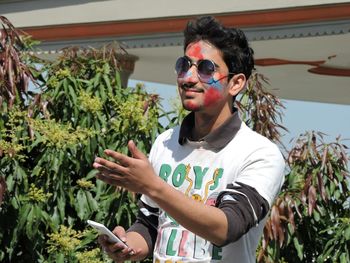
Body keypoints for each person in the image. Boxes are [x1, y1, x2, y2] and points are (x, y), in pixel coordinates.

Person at [93, 16, 285, 263]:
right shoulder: (165, 142)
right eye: (184, 65)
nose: (188, 78)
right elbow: (151, 224)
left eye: (206, 69)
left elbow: (226, 228)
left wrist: (152, 185)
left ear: (236, 83)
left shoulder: (259, 153)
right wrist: (128, 243)